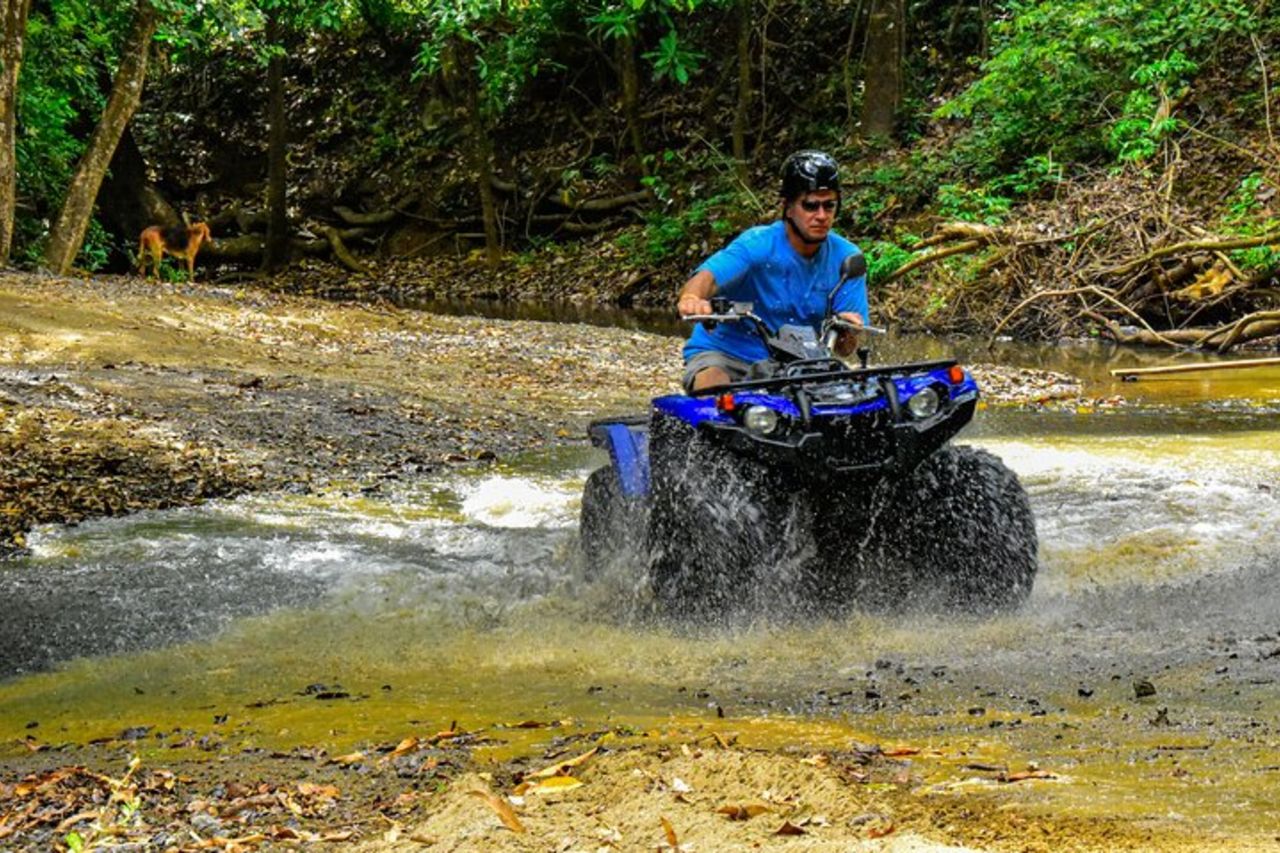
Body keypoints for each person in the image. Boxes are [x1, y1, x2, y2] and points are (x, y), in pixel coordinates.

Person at [676, 150, 869, 393]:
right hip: (728, 354)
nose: (821, 216)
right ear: (788, 207)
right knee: (713, 384)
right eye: (810, 206)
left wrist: (848, 332)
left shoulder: (848, 259)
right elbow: (709, 277)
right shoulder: (757, 244)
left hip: (801, 362)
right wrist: (692, 298)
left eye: (829, 205)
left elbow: (845, 350)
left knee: (855, 399)